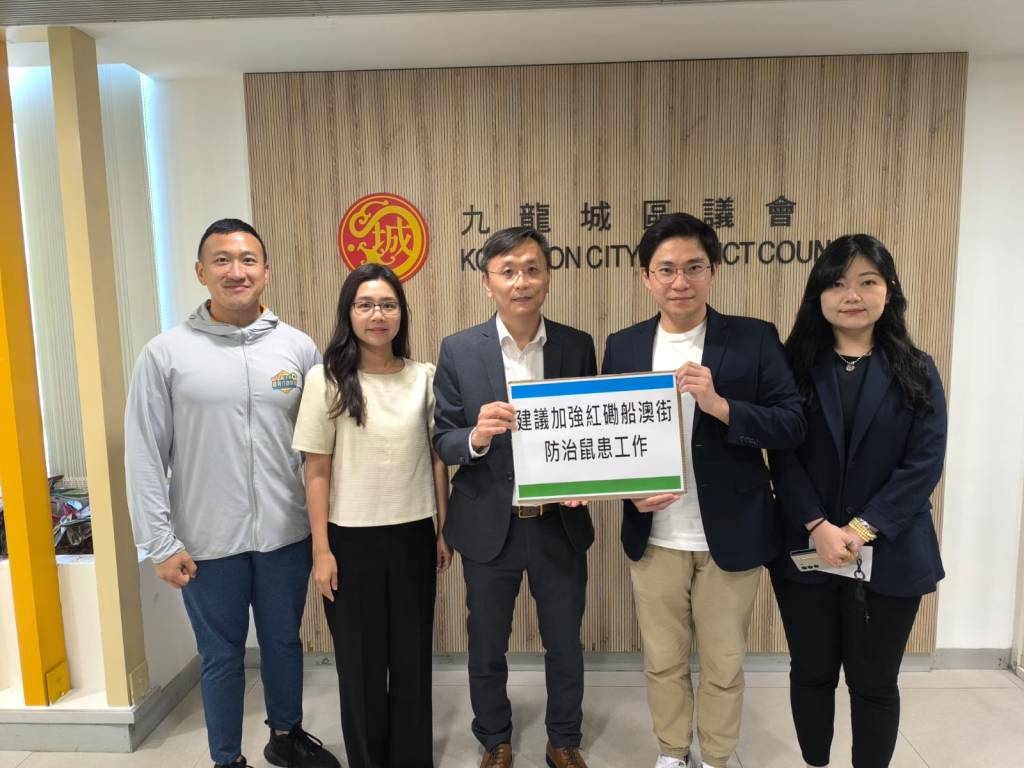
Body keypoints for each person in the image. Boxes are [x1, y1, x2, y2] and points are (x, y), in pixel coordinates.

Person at [125, 219, 339, 768]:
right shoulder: (166, 354)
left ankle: (285, 737)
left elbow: (319, 447)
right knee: (220, 655)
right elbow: (144, 453)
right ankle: (226, 758)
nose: (235, 271)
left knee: (284, 641)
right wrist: (159, 543)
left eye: (247, 260)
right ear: (201, 272)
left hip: (285, 532)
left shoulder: (297, 348)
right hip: (206, 540)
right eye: (221, 260)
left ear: (266, 271)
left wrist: (323, 532)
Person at [601, 212, 805, 768]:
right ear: (645, 277)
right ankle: (672, 752)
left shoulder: (754, 338)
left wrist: (720, 406)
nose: (680, 281)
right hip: (656, 533)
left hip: (731, 532)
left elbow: (792, 424)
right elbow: (611, 440)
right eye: (665, 269)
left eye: (693, 267)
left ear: (714, 270)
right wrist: (628, 494)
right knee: (662, 659)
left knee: (723, 662)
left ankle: (715, 756)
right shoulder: (623, 346)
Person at [768, 234, 947, 768]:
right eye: (838, 283)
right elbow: (781, 455)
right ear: (818, 294)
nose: (852, 295)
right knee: (811, 671)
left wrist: (861, 529)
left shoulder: (917, 368)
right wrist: (818, 524)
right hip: (808, 548)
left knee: (875, 681)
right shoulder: (791, 367)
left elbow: (924, 463)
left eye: (868, 281)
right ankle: (815, 762)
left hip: (892, 552)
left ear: (888, 291)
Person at [432, 226, 597, 768]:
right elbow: (443, 439)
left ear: (547, 277)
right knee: (486, 643)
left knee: (565, 642)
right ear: (488, 283)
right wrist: (477, 436)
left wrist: (585, 482)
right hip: (488, 524)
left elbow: (590, 432)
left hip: (557, 524)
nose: (520, 281)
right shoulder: (459, 349)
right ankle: (494, 738)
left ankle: (563, 739)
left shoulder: (576, 345)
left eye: (531, 269)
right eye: (507, 271)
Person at [292, 263, 451, 768]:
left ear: (401, 313)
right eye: (365, 305)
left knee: (411, 662)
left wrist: (442, 531)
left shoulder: (424, 377)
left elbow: (437, 460)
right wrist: (321, 551)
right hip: (349, 541)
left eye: (387, 305)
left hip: (412, 536)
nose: (377, 315)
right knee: (359, 668)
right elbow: (316, 470)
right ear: (349, 313)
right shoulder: (326, 379)